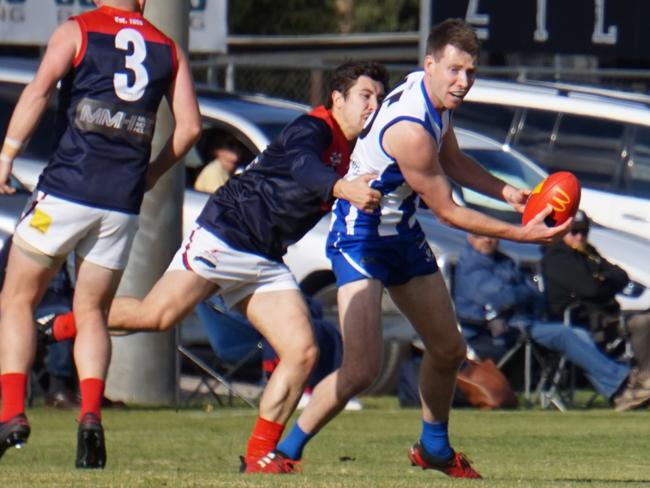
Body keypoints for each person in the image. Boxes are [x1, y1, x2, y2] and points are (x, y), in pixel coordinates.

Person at [38, 61, 388, 473]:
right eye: (366, 95)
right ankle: (58, 325)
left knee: (302, 350)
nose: (374, 105)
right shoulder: (312, 128)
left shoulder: (357, 150)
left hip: (265, 256)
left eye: (380, 98)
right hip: (227, 233)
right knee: (157, 316)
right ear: (337, 99)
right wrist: (342, 186)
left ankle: (260, 456)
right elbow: (303, 168)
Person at [272, 19, 572, 479]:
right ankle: (284, 452)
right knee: (362, 369)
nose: (463, 81)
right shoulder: (410, 126)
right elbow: (449, 212)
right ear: (429, 64)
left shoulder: (434, 98)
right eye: (454, 70)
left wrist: (508, 193)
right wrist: (525, 233)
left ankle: (433, 448)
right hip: (361, 237)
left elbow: (451, 161)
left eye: (470, 72)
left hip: (402, 234)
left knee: (449, 349)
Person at [0, 0, 202, 468]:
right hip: (120, 203)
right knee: (92, 311)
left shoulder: (79, 30)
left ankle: (12, 413)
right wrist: (152, 174)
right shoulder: (168, 47)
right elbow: (190, 127)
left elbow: (38, 92)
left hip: (67, 190)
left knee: (15, 299)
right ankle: (90, 415)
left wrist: (8, 154)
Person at [454, 233, 650, 411]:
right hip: (495, 332)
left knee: (577, 334)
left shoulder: (503, 261)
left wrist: (520, 294)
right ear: (470, 238)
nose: (488, 240)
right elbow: (505, 297)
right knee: (564, 335)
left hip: (523, 321)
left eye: (492, 236)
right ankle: (625, 382)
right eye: (481, 236)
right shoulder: (471, 267)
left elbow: (533, 294)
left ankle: (619, 392)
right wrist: (521, 293)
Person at [542, 210, 650, 404]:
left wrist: (602, 280)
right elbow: (590, 289)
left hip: (606, 315)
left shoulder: (589, 253)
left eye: (584, 231)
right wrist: (602, 281)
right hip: (579, 322)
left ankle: (645, 380)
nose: (580, 236)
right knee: (639, 322)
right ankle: (626, 390)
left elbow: (621, 275)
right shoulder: (557, 258)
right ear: (561, 232)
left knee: (644, 321)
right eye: (574, 232)